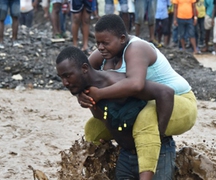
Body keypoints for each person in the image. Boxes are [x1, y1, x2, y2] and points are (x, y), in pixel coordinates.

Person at [78, 14, 197, 179]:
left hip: (178, 101)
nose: (100, 47)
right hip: (146, 102)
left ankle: (150, 160)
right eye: (97, 43)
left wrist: (99, 94)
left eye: (105, 43)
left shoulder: (136, 48)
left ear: (121, 39)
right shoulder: (104, 53)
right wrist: (82, 95)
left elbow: (136, 84)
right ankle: (105, 166)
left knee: (146, 118)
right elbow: (81, 74)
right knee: (93, 127)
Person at [56, 46, 177, 179]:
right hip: (126, 155)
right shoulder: (86, 93)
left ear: (84, 69)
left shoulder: (116, 83)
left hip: (157, 154)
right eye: (61, 77)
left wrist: (159, 135)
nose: (65, 83)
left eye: (67, 76)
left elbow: (166, 92)